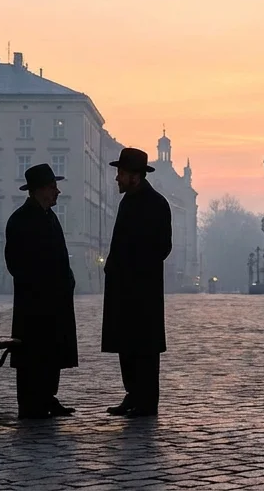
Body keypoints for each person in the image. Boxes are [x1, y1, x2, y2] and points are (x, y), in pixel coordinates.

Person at [101, 147, 173, 418]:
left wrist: (134, 265)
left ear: (135, 176)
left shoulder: (156, 204)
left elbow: (163, 246)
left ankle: (146, 401)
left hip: (143, 289)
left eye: (120, 173)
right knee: (126, 345)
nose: (117, 178)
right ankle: (132, 395)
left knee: (144, 347)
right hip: (124, 287)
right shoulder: (127, 202)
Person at [4, 163, 78, 419]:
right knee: (33, 353)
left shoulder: (49, 216)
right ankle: (31, 402)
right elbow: (16, 263)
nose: (57, 191)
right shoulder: (21, 220)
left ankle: (47, 397)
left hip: (55, 298)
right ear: (39, 190)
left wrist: (67, 281)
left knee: (52, 351)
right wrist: (40, 284)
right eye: (53, 186)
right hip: (34, 302)